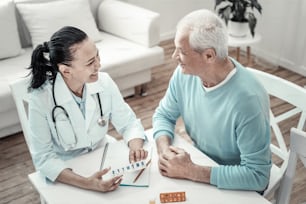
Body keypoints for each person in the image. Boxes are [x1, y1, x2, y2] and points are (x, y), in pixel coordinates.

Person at [153, 9, 271, 193]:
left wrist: (191, 171)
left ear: (209, 56)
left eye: (181, 51)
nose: (174, 56)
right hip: (202, 164)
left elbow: (257, 177)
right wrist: (164, 150)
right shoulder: (184, 74)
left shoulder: (248, 101)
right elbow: (164, 114)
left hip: (238, 186)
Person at [27, 26, 148, 192]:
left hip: (103, 155)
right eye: (90, 62)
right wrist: (87, 183)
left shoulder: (104, 82)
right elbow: (44, 158)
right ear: (66, 70)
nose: (99, 64)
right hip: (66, 169)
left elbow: (128, 123)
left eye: (97, 55)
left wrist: (136, 146)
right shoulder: (41, 98)